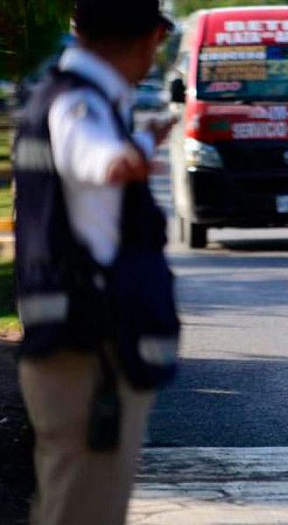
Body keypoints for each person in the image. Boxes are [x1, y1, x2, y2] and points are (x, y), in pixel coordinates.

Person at [12, 1, 178, 524]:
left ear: (75, 28)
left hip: (74, 351)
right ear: (153, 39)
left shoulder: (65, 97)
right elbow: (93, 154)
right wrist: (123, 159)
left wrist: (146, 137)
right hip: (90, 361)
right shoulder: (79, 107)